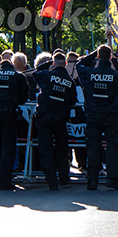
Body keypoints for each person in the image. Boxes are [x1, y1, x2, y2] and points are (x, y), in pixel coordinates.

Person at [76, 45, 118, 190]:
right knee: (113, 147)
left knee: (93, 147)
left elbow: (79, 65)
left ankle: (92, 180)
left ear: (98, 56)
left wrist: (93, 53)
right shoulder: (116, 76)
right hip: (110, 116)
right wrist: (110, 110)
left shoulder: (89, 73)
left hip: (92, 115)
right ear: (111, 57)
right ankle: (113, 179)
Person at [0, 53, 30, 190]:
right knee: (8, 147)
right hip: (9, 113)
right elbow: (24, 97)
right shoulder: (18, 76)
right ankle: (5, 180)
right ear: (12, 65)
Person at [33, 52, 77, 190]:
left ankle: (52, 180)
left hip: (45, 116)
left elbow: (35, 73)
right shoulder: (70, 81)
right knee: (62, 148)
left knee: (45, 149)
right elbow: (72, 100)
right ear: (65, 64)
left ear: (53, 63)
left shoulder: (47, 75)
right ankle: (64, 178)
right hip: (60, 118)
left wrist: (46, 64)